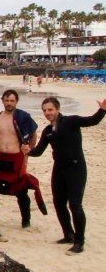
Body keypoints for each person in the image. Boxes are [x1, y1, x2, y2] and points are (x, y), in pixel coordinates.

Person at [27, 97, 106, 255]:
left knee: (75, 205)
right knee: (58, 203)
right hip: (59, 169)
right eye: (44, 111)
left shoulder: (71, 121)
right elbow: (39, 151)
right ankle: (68, 235)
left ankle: (79, 241)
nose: (47, 113)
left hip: (76, 168)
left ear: (57, 109)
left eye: (50, 110)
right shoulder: (48, 131)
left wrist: (102, 110)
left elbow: (92, 121)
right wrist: (28, 151)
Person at [0, 89, 38, 229]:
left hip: (16, 159)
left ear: (16, 101)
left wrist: (29, 152)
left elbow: (33, 135)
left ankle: (26, 220)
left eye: (12, 101)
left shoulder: (23, 117)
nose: (9, 103)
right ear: (2, 100)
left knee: (21, 190)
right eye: (6, 100)